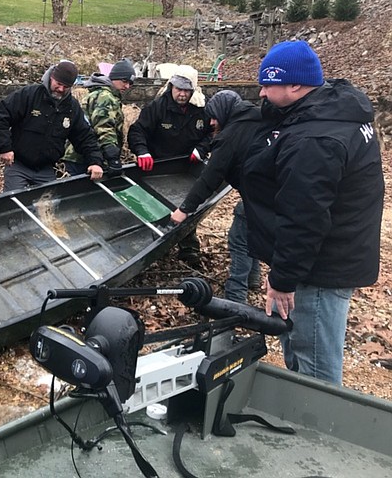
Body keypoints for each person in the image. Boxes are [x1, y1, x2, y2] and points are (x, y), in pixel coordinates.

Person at [240, 40, 383, 385]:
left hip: (319, 269)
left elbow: (304, 217)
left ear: (295, 85)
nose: (260, 93)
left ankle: (319, 431)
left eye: (267, 84)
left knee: (314, 369)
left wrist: (283, 279)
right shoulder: (333, 112)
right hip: (328, 256)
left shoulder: (315, 140)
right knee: (303, 349)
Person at [169, 90, 263, 302]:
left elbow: (209, 178)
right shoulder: (257, 117)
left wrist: (184, 209)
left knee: (239, 241)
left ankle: (235, 299)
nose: (211, 122)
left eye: (214, 117)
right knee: (251, 232)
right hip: (266, 193)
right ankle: (253, 279)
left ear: (224, 112)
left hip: (257, 195)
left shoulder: (230, 135)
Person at [127, 65, 211, 264]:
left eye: (186, 90)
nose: (182, 94)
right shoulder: (157, 108)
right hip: (158, 166)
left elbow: (211, 133)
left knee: (187, 208)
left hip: (187, 167)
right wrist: (142, 151)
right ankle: (155, 245)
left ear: (193, 90)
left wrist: (201, 148)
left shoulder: (201, 110)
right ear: (171, 86)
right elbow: (137, 131)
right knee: (155, 207)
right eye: (178, 89)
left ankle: (188, 248)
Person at [0, 60, 104, 191]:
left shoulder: (72, 107)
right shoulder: (29, 95)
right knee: (13, 203)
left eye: (66, 87)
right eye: (58, 84)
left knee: (45, 207)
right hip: (18, 165)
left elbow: (85, 136)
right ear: (51, 77)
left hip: (46, 169)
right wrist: (4, 147)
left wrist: (95, 162)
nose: (61, 89)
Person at [62, 59, 135, 176]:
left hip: (79, 155)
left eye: (130, 84)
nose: (127, 86)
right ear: (114, 78)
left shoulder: (98, 93)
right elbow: (103, 127)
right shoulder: (105, 96)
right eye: (124, 81)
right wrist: (112, 156)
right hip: (85, 158)